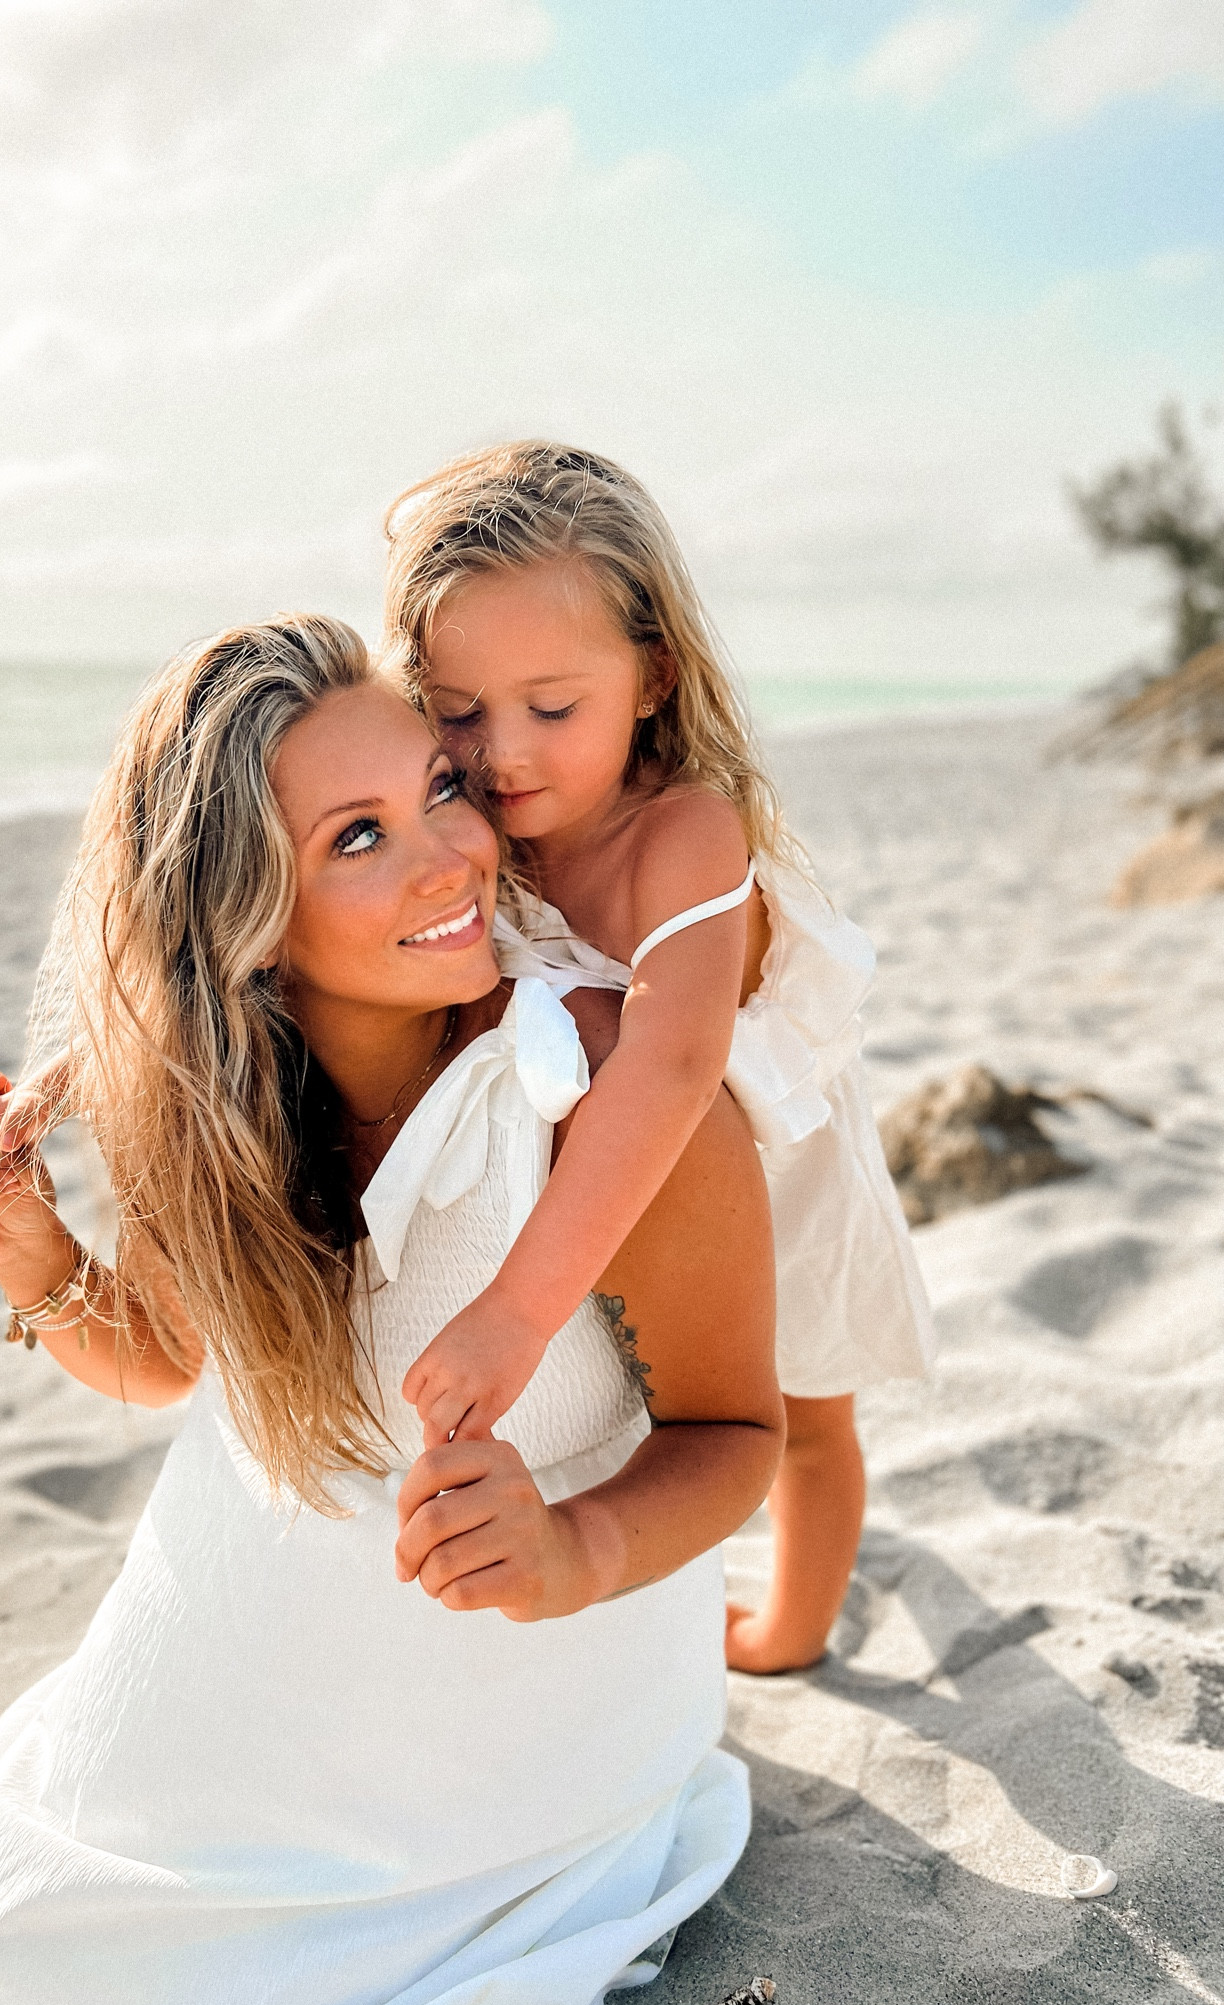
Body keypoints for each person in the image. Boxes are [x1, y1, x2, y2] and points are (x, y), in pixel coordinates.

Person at [0, 615, 782, 2005]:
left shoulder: (600, 1105)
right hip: (260, 1612)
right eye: (357, 837)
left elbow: (739, 1432)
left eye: (442, 792)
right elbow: (156, 1361)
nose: (449, 858)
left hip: (522, 1692)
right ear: (244, 918)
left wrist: (572, 1547)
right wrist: (29, 1250)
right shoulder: (215, 1110)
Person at [380, 442, 936, 1675]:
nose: (504, 752)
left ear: (652, 679)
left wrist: (519, 1312)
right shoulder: (474, 826)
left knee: (801, 1412)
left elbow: (674, 1067)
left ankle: (794, 1625)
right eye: (460, 711)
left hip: (768, 1160)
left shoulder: (684, 830)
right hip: (628, 1182)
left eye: (552, 707)